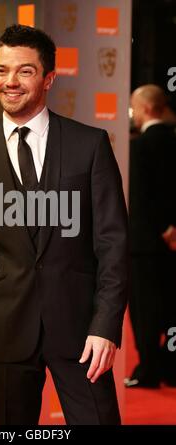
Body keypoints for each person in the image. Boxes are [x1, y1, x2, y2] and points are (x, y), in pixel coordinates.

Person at [0, 25, 128, 425]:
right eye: (1, 70)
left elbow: (113, 244)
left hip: (83, 334)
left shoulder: (90, 145)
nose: (9, 81)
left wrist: (106, 326)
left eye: (24, 71)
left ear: (49, 78)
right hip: (5, 334)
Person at [125, 84, 176, 388]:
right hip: (173, 245)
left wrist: (163, 229)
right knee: (172, 306)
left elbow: (142, 197)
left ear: (145, 109)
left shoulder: (139, 147)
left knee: (145, 309)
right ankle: (172, 367)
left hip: (145, 245)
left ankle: (149, 370)